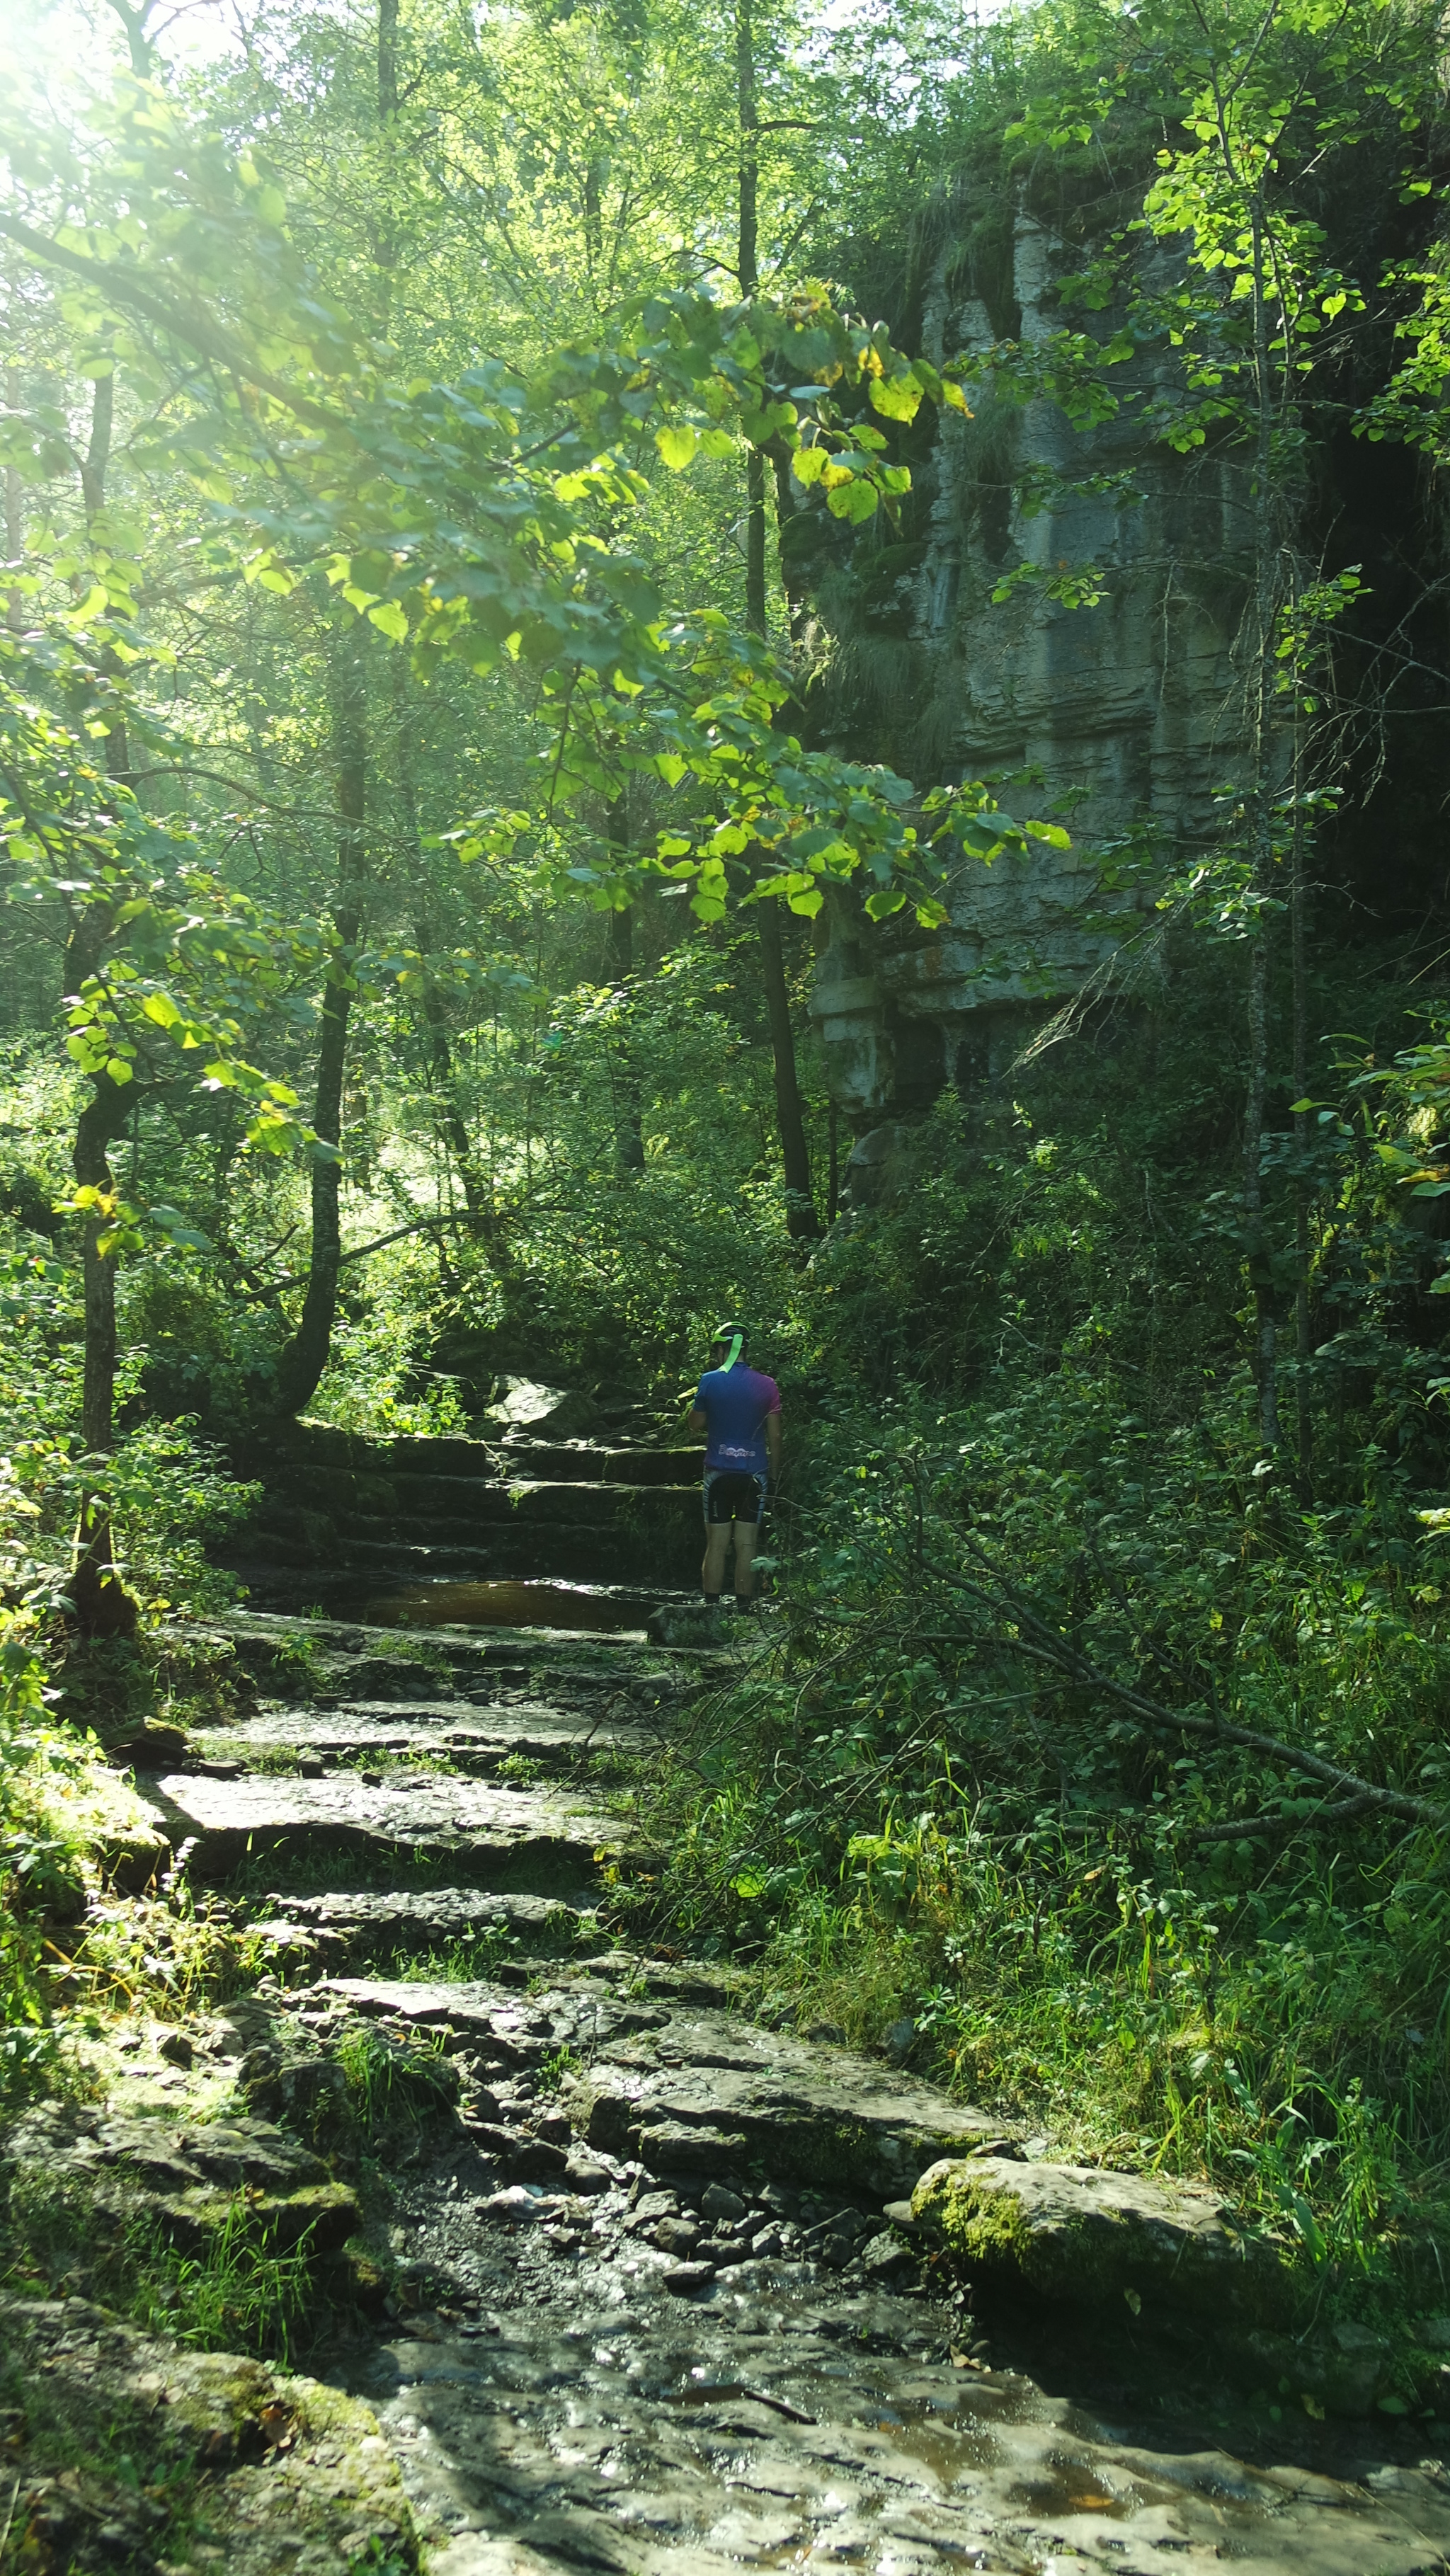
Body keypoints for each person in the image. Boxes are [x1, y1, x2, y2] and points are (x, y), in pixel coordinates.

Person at [689, 1320, 781, 1611]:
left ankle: (711, 1609)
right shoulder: (767, 1385)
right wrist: (775, 1476)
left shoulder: (710, 1380)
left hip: (718, 1472)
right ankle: (743, 1610)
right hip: (755, 1474)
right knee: (747, 1545)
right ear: (745, 1349)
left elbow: (695, 1424)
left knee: (717, 1544)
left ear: (720, 1349)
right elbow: (776, 1436)